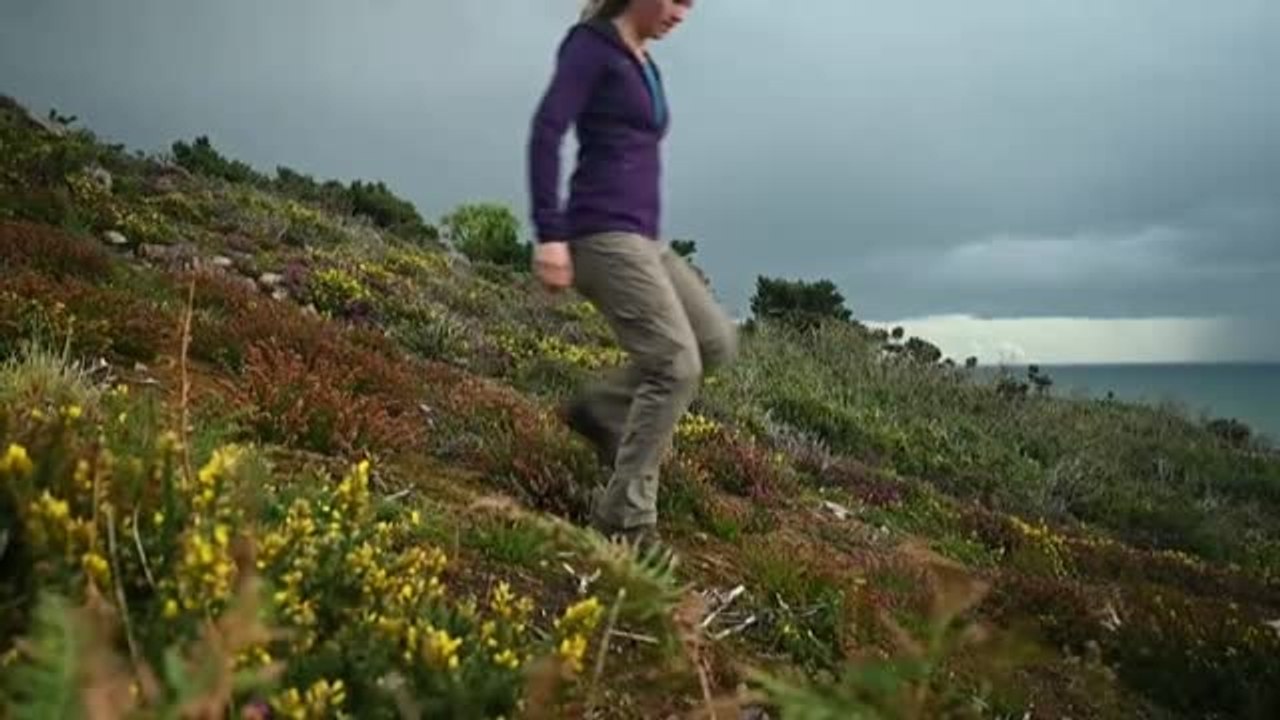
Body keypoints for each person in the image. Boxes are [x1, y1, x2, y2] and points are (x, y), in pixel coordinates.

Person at [526, 0, 738, 545]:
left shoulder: (645, 61)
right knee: (675, 365)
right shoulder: (591, 47)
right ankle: (626, 520)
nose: (682, 13)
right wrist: (550, 233)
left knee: (714, 342)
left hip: (644, 238)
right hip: (600, 233)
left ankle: (601, 409)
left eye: (691, 3)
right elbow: (547, 131)